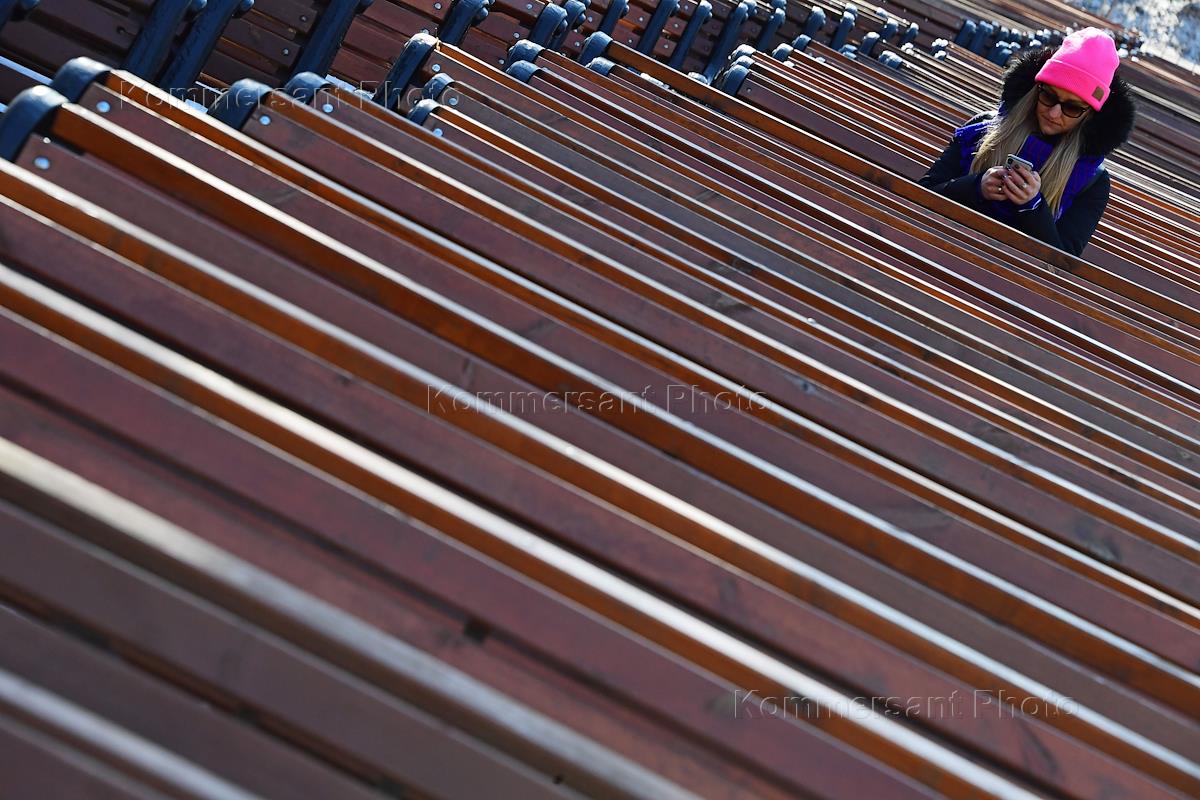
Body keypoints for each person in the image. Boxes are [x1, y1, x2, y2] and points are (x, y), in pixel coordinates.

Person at [919, 28, 1136, 256]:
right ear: (1036, 89)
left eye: (1072, 108)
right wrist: (976, 187)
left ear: (1090, 115)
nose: (1053, 113)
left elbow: (1062, 262)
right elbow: (924, 191)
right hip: (935, 248)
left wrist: (1032, 207)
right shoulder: (983, 128)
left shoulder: (1093, 181)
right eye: (1048, 96)